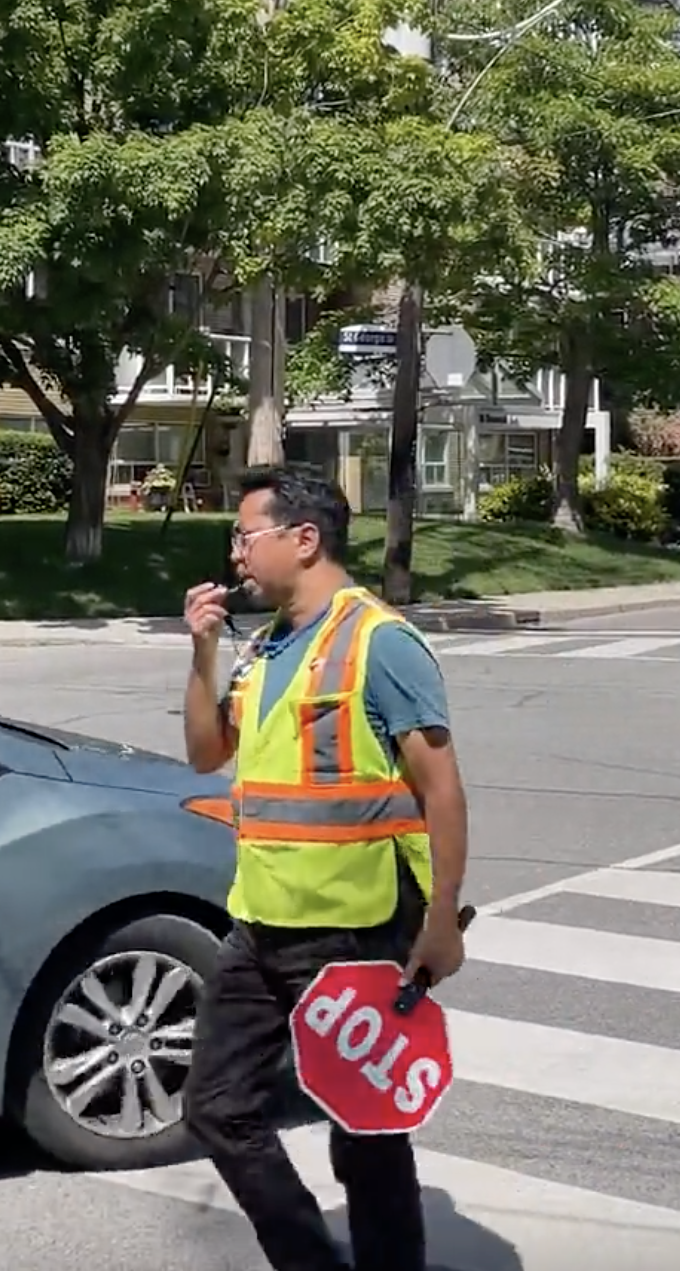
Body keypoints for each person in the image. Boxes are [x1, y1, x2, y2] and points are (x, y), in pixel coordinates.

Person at [179, 464, 472, 1271]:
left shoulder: (380, 643)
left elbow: (440, 788)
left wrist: (442, 918)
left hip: (356, 929)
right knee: (216, 1109)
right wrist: (201, 652)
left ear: (303, 540)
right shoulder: (265, 645)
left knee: (366, 1137)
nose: (235, 553)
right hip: (261, 923)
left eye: (245, 534)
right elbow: (208, 754)